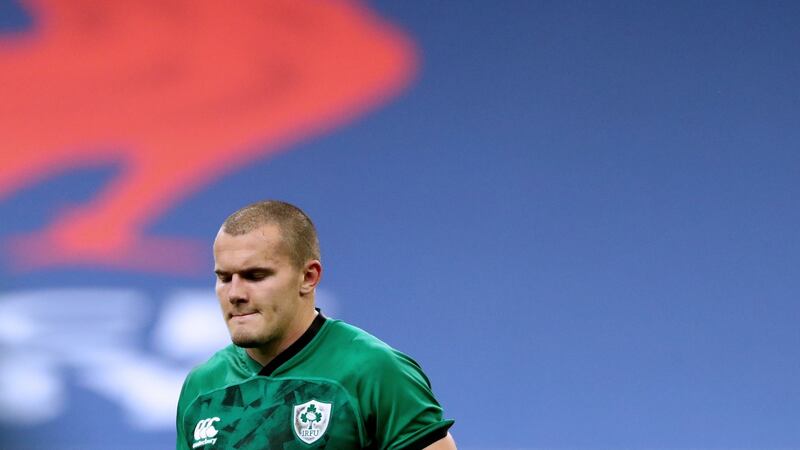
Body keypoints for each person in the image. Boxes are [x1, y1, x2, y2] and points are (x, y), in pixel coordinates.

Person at [176, 200, 456, 449]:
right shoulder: (202, 386)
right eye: (224, 278)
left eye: (256, 275)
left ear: (308, 277)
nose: (235, 294)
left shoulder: (375, 372)